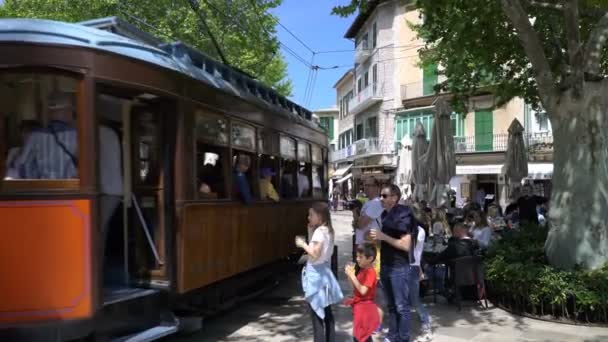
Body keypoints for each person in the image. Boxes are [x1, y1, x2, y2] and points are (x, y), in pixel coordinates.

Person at [369, 184, 416, 342]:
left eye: (384, 196)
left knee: (401, 307)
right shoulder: (384, 215)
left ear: (394, 198)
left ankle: (403, 338)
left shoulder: (403, 214)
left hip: (399, 267)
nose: (381, 198)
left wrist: (383, 237)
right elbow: (387, 241)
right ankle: (393, 336)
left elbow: (405, 245)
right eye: (380, 195)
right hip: (386, 265)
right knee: (391, 306)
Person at [296, 202, 343, 342]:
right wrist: (310, 231)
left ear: (320, 216)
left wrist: (302, 243)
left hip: (316, 276)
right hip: (325, 273)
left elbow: (314, 254)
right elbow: (321, 250)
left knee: (317, 314)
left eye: (311, 215)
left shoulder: (319, 232)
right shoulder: (328, 230)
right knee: (327, 312)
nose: (308, 217)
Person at [12, 91, 78, 179]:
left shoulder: (35, 136)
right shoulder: (79, 136)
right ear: (69, 110)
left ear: (49, 112)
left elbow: (22, 166)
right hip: (72, 190)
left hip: (43, 190)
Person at [344, 243, 381, 342]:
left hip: (365, 310)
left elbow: (363, 291)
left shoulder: (370, 272)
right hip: (360, 309)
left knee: (361, 336)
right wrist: (349, 276)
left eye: (360, 257)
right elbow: (354, 288)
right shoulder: (362, 270)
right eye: (357, 256)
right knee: (361, 336)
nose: (357, 259)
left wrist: (353, 276)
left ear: (370, 258)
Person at [357, 177, 384, 275]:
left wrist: (356, 218)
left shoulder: (376, 203)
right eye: (365, 185)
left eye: (370, 185)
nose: (366, 188)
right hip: (365, 247)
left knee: (371, 281)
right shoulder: (369, 202)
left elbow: (360, 224)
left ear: (377, 187)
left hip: (371, 248)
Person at [410, 224, 432, 341]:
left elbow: (415, 253)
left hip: (412, 267)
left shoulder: (419, 230)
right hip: (402, 267)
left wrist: (419, 270)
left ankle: (426, 323)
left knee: (414, 300)